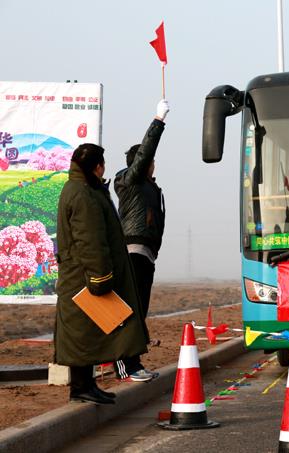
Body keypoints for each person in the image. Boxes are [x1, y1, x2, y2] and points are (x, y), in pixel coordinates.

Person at [55, 143, 149, 404]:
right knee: (83, 336)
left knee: (86, 336)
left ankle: (86, 385)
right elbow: (91, 241)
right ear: (97, 167)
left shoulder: (82, 189)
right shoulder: (82, 194)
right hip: (84, 279)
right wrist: (100, 278)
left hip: (82, 277)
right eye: (102, 164)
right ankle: (81, 387)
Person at [112, 99, 169, 382]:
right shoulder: (129, 181)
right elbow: (147, 151)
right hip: (133, 252)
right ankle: (126, 365)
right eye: (150, 161)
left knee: (140, 310)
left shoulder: (149, 187)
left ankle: (134, 362)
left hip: (146, 253)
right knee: (130, 310)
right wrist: (158, 120)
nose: (153, 164)